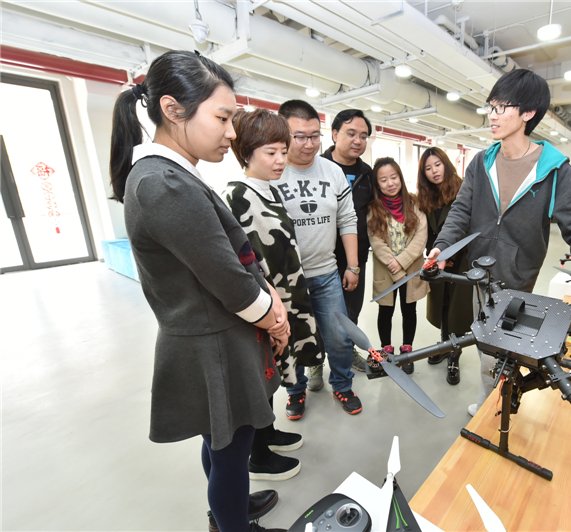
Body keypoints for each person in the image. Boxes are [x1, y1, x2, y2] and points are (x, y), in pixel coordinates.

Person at [110, 51, 287, 532]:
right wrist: (274, 318)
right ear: (173, 110)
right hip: (213, 341)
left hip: (219, 333)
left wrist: (269, 300)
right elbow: (227, 278)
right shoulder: (162, 183)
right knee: (231, 449)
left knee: (223, 441)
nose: (231, 133)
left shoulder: (173, 175)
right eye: (223, 118)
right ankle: (231, 522)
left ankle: (229, 509)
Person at [428, 69, 571, 417]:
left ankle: (495, 408)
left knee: (501, 351)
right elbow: (460, 211)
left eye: (502, 107)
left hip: (517, 280)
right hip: (478, 275)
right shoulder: (481, 162)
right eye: (491, 107)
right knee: (485, 345)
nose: (492, 115)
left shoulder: (555, 170)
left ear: (528, 113)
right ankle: (490, 403)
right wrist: (443, 247)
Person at [224, 108, 326, 481]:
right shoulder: (237, 195)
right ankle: (259, 456)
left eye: (283, 150)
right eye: (271, 152)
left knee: (271, 373)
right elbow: (243, 264)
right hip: (263, 307)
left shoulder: (268, 188)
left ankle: (267, 433)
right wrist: (271, 313)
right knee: (261, 375)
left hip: (286, 298)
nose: (281, 159)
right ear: (246, 152)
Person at [273, 100, 362, 416]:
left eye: (314, 135)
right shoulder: (272, 171)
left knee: (339, 338)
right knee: (291, 340)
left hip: (326, 273)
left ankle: (342, 385)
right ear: (283, 133)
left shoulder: (332, 171)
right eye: (299, 136)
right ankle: (295, 391)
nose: (309, 144)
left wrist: (353, 266)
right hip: (286, 279)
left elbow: (347, 219)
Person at [321, 109, 373, 373]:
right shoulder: (317, 167)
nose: (357, 140)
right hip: (321, 259)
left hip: (356, 259)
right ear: (334, 134)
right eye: (351, 133)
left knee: (351, 312)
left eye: (363, 136)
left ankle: (349, 350)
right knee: (319, 313)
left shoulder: (367, 174)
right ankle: (316, 361)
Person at [367, 158, 429, 374]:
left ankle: (407, 352)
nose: (390, 183)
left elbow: (421, 236)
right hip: (387, 271)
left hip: (410, 270)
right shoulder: (374, 208)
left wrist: (402, 262)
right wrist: (395, 267)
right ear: (377, 184)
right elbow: (376, 241)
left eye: (393, 177)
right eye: (383, 180)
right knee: (385, 311)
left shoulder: (414, 203)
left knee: (409, 310)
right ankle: (386, 351)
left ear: (400, 178)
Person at [416, 147, 473, 385]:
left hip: (461, 260)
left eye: (437, 165)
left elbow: (468, 224)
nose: (434, 171)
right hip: (438, 261)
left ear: (446, 164)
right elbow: (428, 230)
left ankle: (454, 355)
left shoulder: (463, 188)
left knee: (457, 309)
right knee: (442, 305)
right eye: (428, 168)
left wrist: (452, 255)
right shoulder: (427, 195)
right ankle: (444, 345)